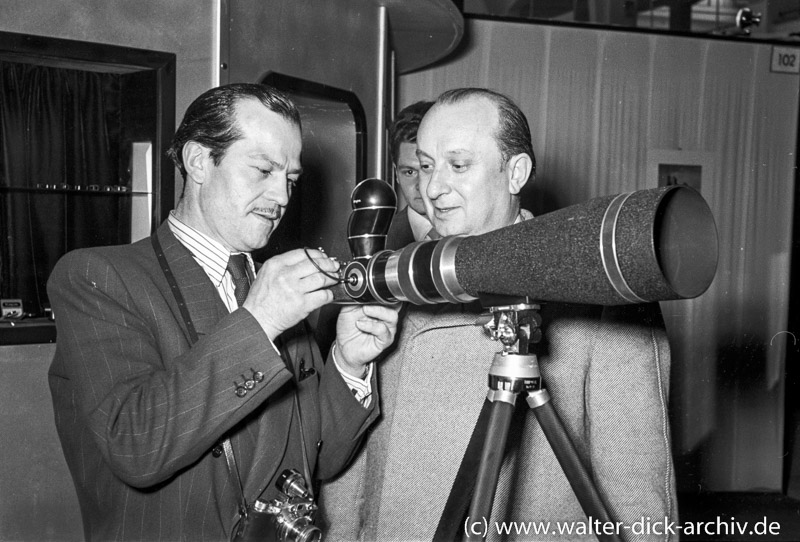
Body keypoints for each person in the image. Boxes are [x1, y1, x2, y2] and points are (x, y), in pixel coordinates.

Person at [318, 88, 677, 541]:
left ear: (516, 173)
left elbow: (637, 488)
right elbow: (352, 473)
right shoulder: (396, 277)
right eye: (426, 166)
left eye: (459, 165)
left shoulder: (601, 290)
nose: (431, 188)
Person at [47, 83, 399, 541]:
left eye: (290, 178)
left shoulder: (272, 287)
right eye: (262, 170)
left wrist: (349, 365)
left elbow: (322, 457)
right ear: (198, 161)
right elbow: (136, 446)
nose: (282, 196)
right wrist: (261, 321)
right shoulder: (100, 277)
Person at [385, 100, 434, 249]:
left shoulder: (482, 234)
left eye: (427, 168)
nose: (420, 185)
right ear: (396, 174)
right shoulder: (376, 244)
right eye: (410, 172)